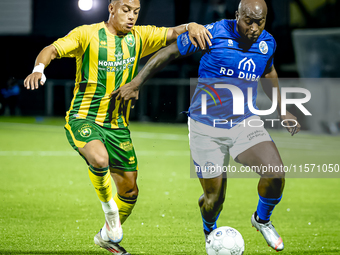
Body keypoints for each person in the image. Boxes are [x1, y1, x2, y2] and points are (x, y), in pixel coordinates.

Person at [24, 0, 212, 254]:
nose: (132, 16)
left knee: (130, 191)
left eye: (135, 11)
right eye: (126, 10)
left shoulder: (140, 36)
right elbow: (51, 49)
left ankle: (105, 236)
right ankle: (109, 210)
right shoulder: (86, 34)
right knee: (99, 160)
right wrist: (39, 69)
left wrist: (192, 25)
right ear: (111, 8)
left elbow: (175, 32)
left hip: (118, 126)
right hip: (84, 118)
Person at [112, 0, 302, 252]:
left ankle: (262, 219)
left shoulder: (267, 43)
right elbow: (169, 52)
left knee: (275, 173)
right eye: (248, 21)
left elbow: (268, 72)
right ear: (237, 16)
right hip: (205, 127)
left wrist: (281, 108)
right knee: (214, 199)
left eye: (260, 21)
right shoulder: (213, 33)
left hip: (244, 123)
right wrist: (136, 82)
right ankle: (210, 230)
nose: (254, 28)